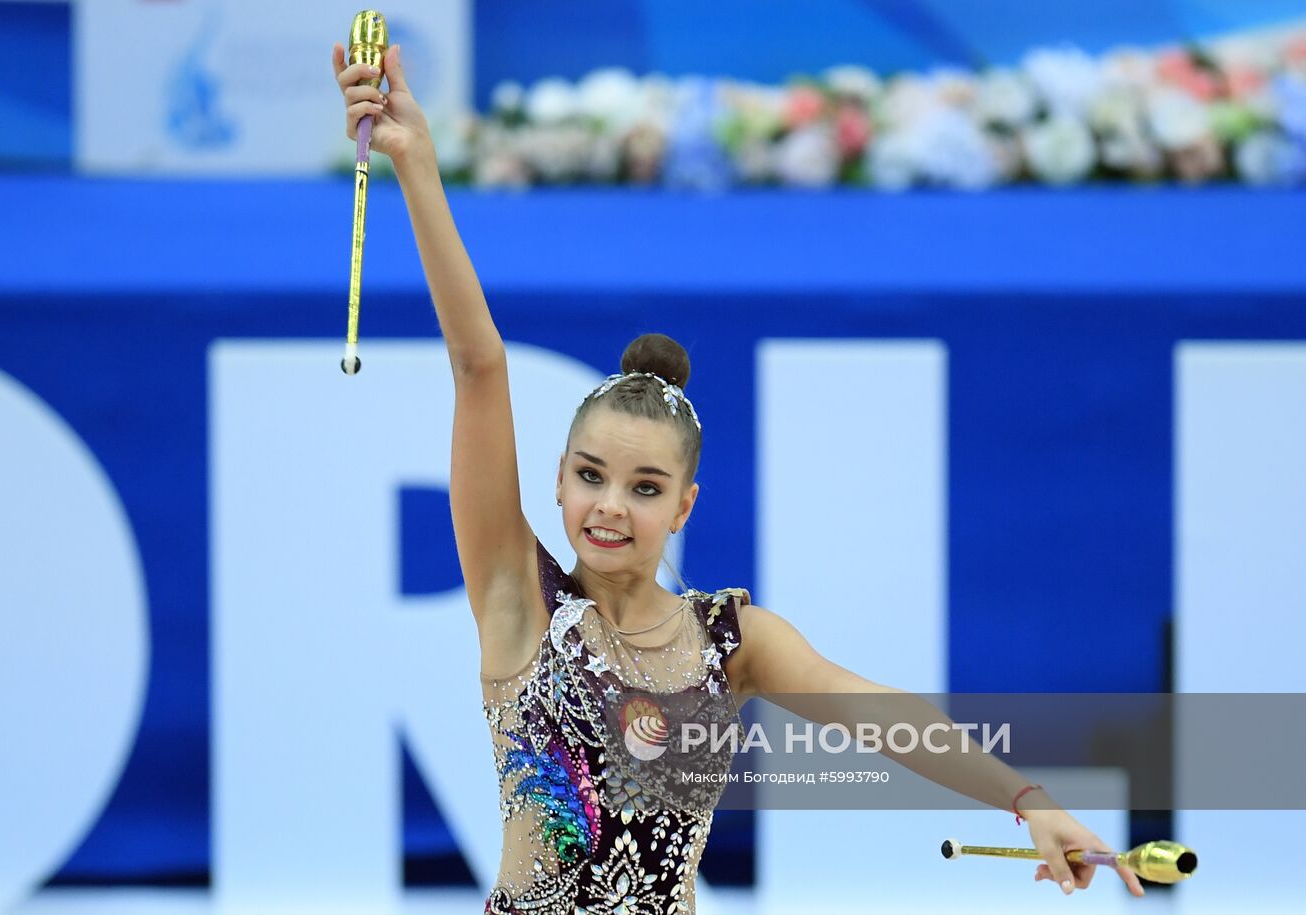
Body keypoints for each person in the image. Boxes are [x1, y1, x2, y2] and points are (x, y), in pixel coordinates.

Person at [330, 42, 1147, 912]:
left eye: (645, 488)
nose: (610, 506)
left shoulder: (731, 640)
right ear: (558, 484)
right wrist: (414, 162)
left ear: (683, 505)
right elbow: (479, 364)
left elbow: (881, 712)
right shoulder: (516, 595)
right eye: (591, 476)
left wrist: (1029, 800)